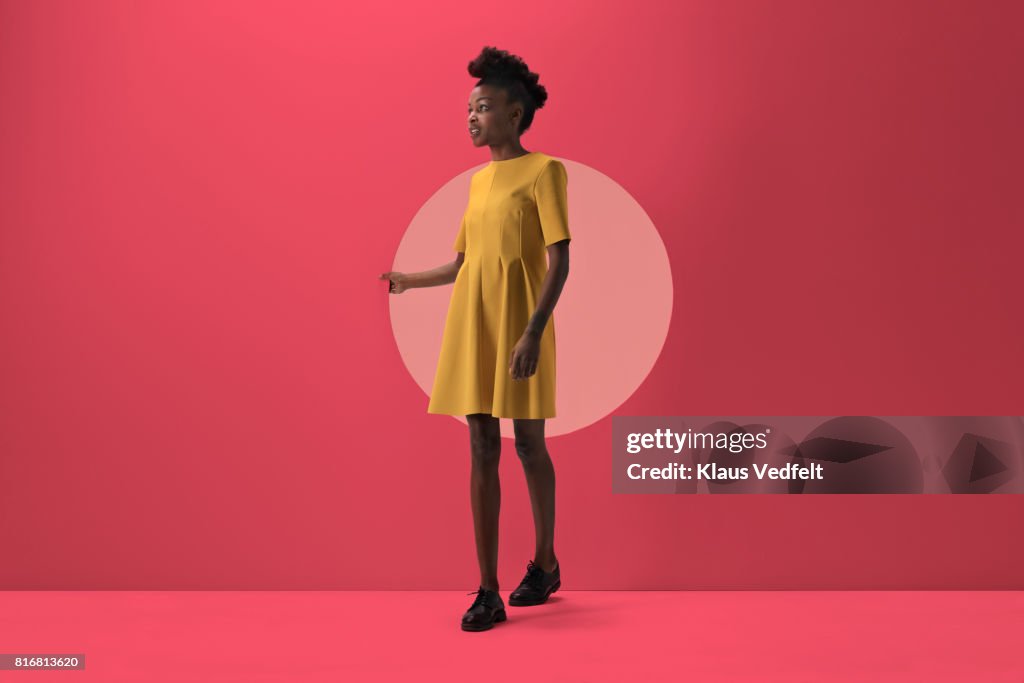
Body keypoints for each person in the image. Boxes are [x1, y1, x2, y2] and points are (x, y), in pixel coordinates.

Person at [379, 45, 571, 632]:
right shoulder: (478, 182)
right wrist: (410, 280)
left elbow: (559, 258)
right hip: (473, 323)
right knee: (482, 446)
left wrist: (533, 332)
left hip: (522, 327)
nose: (471, 117)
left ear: (514, 114)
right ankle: (487, 590)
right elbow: (465, 263)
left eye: (483, 107)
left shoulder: (545, 172)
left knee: (528, 446)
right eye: (468, 109)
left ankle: (545, 563)